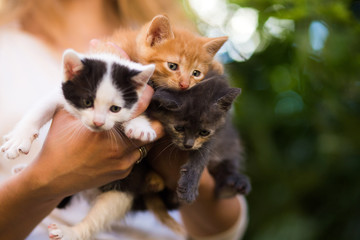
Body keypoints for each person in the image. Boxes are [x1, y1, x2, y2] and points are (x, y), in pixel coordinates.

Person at [0, 0, 248, 239]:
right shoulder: (7, 44)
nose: (184, 81)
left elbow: (223, 230)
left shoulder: (188, 47)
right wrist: (44, 180)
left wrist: (174, 163)